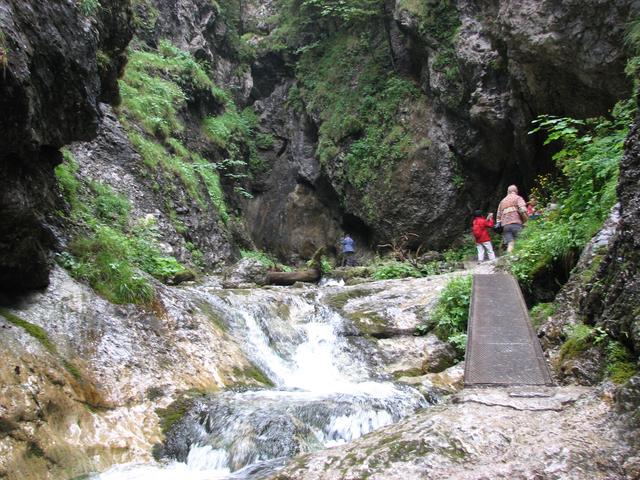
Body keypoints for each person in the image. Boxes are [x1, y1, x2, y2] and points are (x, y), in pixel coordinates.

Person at [496, 185, 528, 253]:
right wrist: (526, 221)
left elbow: (498, 217)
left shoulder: (502, 201)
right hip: (516, 224)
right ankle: (520, 258)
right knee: (520, 242)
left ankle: (509, 258)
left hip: (505, 226)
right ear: (516, 191)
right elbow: (523, 210)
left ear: (508, 192)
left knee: (510, 244)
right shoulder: (518, 198)